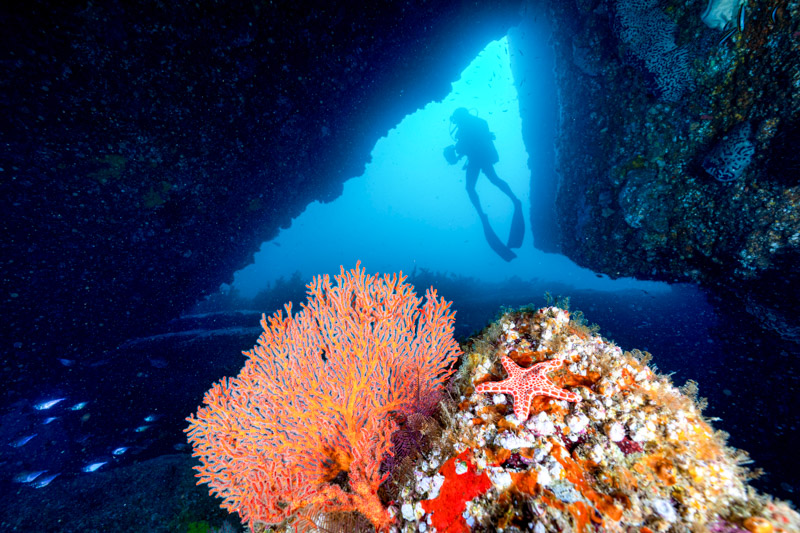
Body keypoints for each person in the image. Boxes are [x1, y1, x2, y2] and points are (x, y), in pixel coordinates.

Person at [444, 107, 524, 261]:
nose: (457, 121)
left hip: (477, 158)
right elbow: (472, 143)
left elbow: (465, 146)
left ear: (460, 117)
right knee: (494, 180)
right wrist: (457, 152)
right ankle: (514, 200)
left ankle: (482, 214)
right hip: (481, 157)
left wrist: (454, 153)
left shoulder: (465, 127)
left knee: (472, 187)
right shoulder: (479, 122)